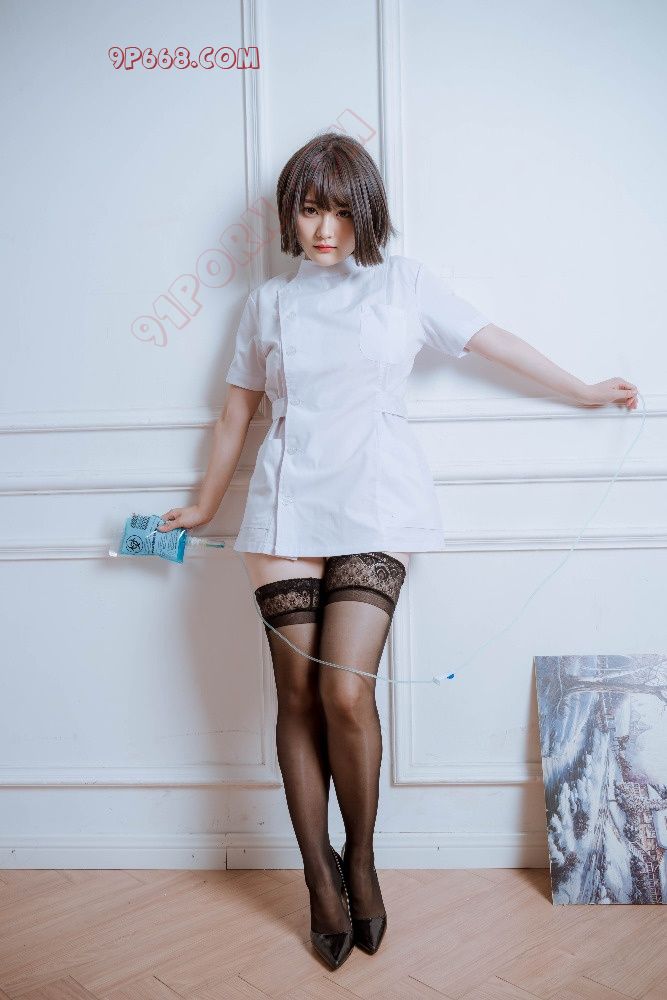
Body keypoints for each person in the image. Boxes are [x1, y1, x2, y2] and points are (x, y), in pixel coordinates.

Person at [156, 131, 639, 969]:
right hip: (283, 510)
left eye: (341, 211)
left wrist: (582, 389)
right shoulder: (268, 304)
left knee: (344, 693)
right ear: (290, 213)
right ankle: (318, 875)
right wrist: (202, 504)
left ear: (367, 211)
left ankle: (361, 859)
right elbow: (237, 410)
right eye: (310, 210)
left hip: (377, 504)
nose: (324, 229)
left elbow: (493, 340)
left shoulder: (405, 284)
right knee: (296, 698)